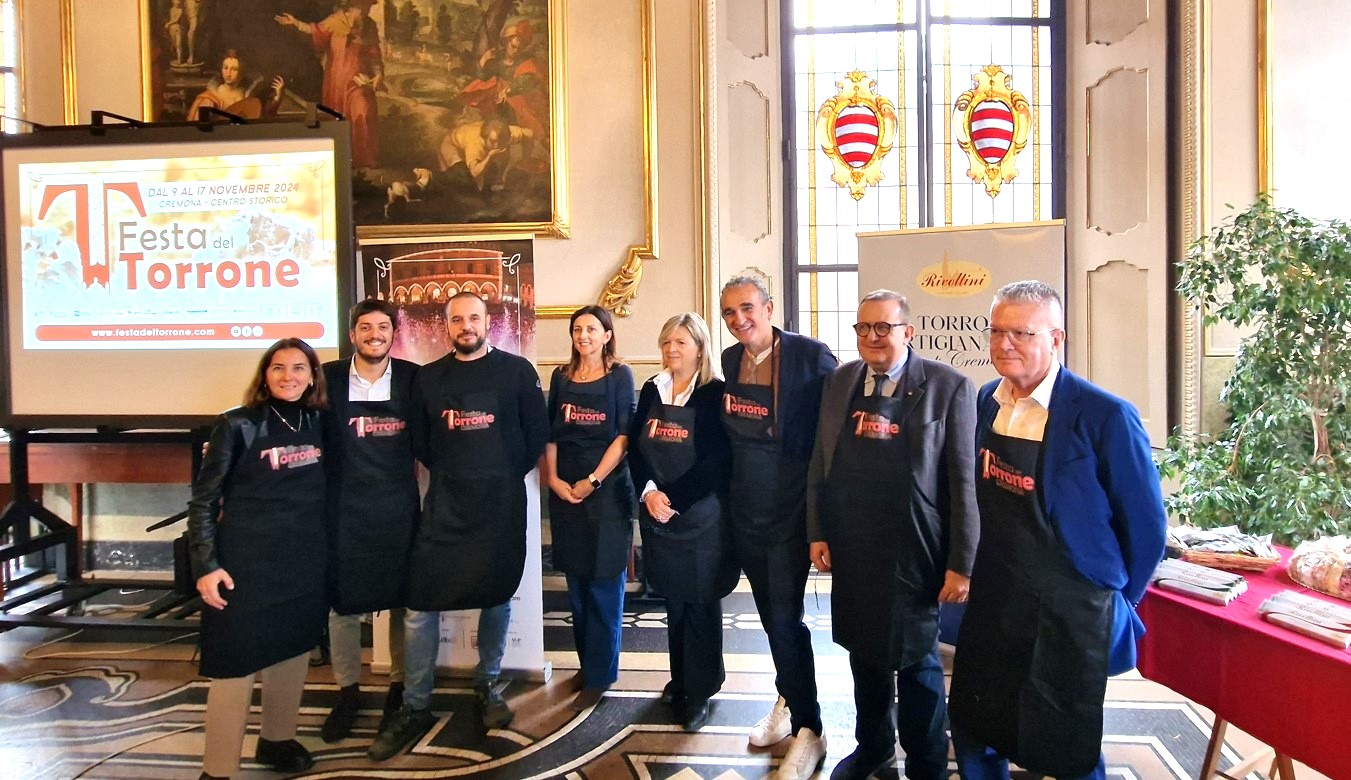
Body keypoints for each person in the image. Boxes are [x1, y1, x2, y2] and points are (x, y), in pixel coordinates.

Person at [948, 281, 1168, 780]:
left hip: (1070, 607)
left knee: (1067, 736)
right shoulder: (987, 400)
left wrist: (1112, 595)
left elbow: (1147, 527)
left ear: (1056, 339)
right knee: (978, 717)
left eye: (1021, 333)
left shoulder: (1106, 415)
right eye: (997, 331)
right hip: (998, 592)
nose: (1004, 344)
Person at [369, 291, 549, 761]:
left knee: (497, 595)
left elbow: (535, 435)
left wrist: (500, 476)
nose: (465, 326)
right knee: (420, 605)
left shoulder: (517, 372)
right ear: (446, 326)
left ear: (488, 322)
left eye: (473, 317)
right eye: (456, 319)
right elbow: (423, 443)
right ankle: (414, 704)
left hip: (501, 506)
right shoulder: (427, 380)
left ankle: (487, 685)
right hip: (446, 506)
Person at [806, 290, 978, 780]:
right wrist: (817, 530)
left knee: (918, 662)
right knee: (865, 654)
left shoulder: (949, 387)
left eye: (883, 327)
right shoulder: (840, 382)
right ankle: (874, 749)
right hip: (854, 545)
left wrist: (962, 562)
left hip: (917, 550)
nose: (873, 337)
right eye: (863, 328)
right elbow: (821, 459)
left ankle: (926, 764)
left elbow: (963, 483)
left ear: (908, 331)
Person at [188, 339, 330, 780]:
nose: (289, 376)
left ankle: (277, 740)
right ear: (264, 375)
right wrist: (206, 566)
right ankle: (217, 771)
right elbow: (203, 502)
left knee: (291, 650)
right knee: (235, 663)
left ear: (312, 376)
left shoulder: (320, 421)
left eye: (299, 368)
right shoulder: (235, 424)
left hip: (303, 562)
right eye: (279, 368)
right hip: (244, 564)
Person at [718, 275, 835, 780]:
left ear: (769, 307)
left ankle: (811, 728)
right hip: (746, 510)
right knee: (770, 619)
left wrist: (823, 520)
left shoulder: (812, 357)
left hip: (791, 511)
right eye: (728, 313)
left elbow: (830, 439)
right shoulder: (728, 361)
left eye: (747, 308)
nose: (739, 320)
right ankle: (788, 701)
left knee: (786, 620)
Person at [318, 300, 420, 744]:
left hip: (397, 506)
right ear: (352, 333)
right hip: (342, 506)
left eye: (382, 327)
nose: (374, 334)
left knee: (402, 600)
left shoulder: (414, 378)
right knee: (341, 605)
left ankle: (399, 686)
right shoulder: (328, 376)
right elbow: (292, 423)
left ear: (393, 333)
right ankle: (348, 691)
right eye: (365, 327)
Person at [629, 313, 736, 733]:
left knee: (701, 603)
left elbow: (717, 460)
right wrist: (650, 492)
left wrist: (673, 498)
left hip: (700, 517)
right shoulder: (652, 388)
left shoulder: (714, 393)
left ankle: (702, 690)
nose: (673, 350)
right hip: (658, 512)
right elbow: (636, 449)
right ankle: (682, 679)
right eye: (667, 342)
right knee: (674, 601)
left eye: (682, 342)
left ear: (700, 347)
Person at [543, 306, 636, 711]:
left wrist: (593, 480)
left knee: (603, 587)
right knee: (577, 587)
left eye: (592, 329)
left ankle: (602, 674)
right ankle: (587, 665)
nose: (584, 336)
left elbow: (623, 437)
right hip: (566, 495)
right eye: (578, 329)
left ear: (606, 335)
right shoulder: (560, 377)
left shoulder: (621, 376)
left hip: (606, 493)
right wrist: (552, 479)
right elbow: (550, 435)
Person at [275, 0, 383, 168]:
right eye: (364, 7)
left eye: (369, 6)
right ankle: (345, 157)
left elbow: (374, 55)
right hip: (337, 82)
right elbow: (315, 30)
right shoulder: (335, 20)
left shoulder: (369, 26)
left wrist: (378, 74)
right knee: (339, 117)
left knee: (364, 111)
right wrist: (295, 23)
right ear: (353, 6)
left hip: (360, 82)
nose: (366, 11)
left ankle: (365, 157)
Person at [185, 50, 285, 122]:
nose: (228, 73)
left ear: (242, 72)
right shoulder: (208, 99)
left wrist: (277, 98)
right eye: (225, 68)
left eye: (234, 69)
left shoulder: (249, 94)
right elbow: (198, 127)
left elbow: (263, 116)